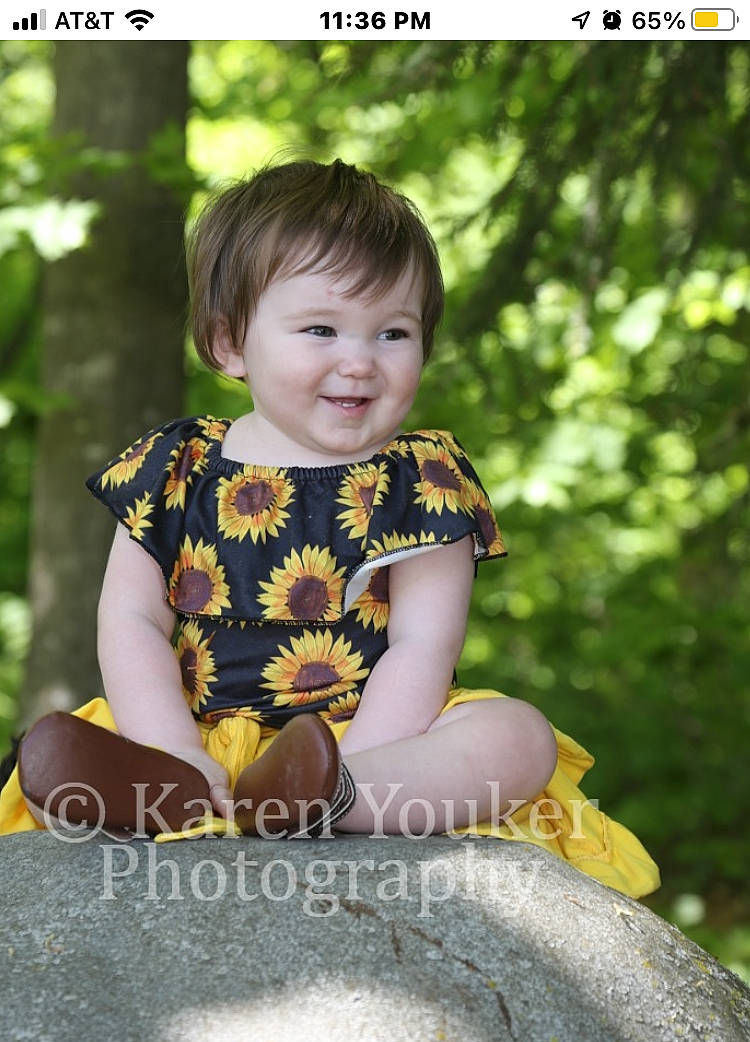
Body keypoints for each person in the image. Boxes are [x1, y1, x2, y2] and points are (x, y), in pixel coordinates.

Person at [0, 159, 659, 897]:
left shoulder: (422, 479)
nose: (359, 361)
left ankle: (333, 804)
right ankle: (166, 789)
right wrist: (173, 745)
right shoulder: (173, 467)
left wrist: (348, 765)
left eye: (393, 333)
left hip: (372, 740)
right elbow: (130, 621)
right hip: (191, 735)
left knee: (518, 737)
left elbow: (422, 644)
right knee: (75, 738)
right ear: (229, 344)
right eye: (321, 328)